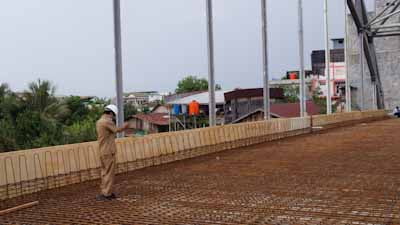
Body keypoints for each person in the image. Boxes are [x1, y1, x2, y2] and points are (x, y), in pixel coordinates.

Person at [96, 104, 129, 201]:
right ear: (110, 113)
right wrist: (126, 126)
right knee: (109, 173)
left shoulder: (99, 121)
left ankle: (105, 191)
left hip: (102, 150)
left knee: (104, 172)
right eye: (113, 115)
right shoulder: (106, 121)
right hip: (108, 151)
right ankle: (107, 194)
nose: (113, 117)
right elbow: (117, 130)